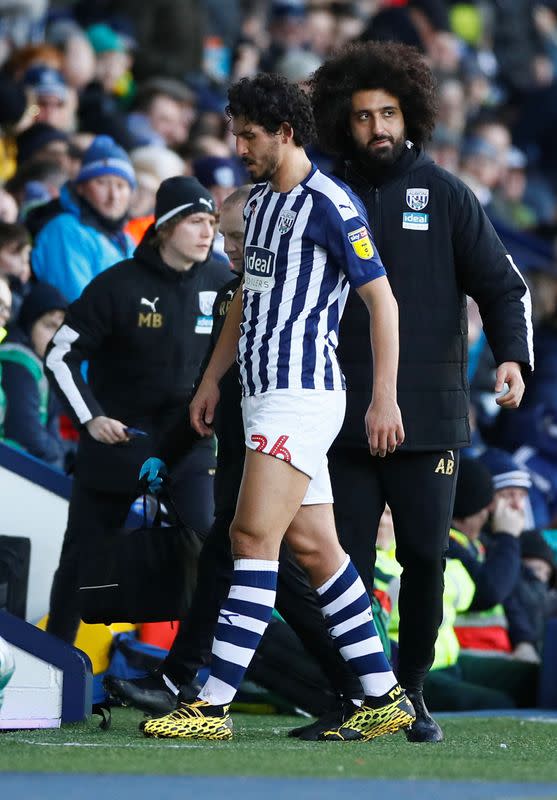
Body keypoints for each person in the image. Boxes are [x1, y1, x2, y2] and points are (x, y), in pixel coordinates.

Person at [142, 73, 414, 743]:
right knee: (316, 551)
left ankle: (209, 704)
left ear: (285, 133)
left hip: (301, 396)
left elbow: (382, 301)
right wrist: (212, 380)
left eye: (248, 136)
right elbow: (245, 299)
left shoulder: (331, 205)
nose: (238, 147)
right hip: (263, 395)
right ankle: (382, 696)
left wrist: (384, 398)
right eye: (235, 134)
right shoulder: (258, 203)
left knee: (247, 538)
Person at [310, 41, 534, 742]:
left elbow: (501, 286)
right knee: (337, 563)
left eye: (388, 113)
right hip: (339, 412)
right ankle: (352, 697)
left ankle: (409, 695)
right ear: (339, 123)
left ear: (410, 115)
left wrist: (511, 360)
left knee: (424, 560)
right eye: (361, 116)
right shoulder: (322, 194)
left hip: (430, 415)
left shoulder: (443, 192)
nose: (376, 128)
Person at [107, 187, 365, 726]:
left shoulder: (296, 292)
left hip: (280, 444)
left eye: (237, 237)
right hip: (242, 452)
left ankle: (214, 695)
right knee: (254, 564)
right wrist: (169, 449)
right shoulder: (236, 292)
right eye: (223, 235)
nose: (227, 246)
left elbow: (345, 342)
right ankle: (369, 693)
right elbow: (210, 384)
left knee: (269, 566)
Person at [43, 176, 231, 644]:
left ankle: (196, 672)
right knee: (81, 557)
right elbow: (58, 353)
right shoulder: (117, 285)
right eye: (194, 221)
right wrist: (92, 417)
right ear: (165, 228)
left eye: (211, 221)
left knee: (210, 547)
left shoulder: (224, 281)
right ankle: (54, 664)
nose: (207, 231)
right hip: (119, 443)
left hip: (189, 444)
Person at [31, 134, 137, 302]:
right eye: (102, 182)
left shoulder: (126, 240)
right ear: (80, 187)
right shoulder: (65, 229)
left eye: (121, 186)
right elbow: (78, 302)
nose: (113, 195)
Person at [0, 282, 68, 468]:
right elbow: (26, 434)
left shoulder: (49, 367)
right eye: (49, 326)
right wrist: (57, 454)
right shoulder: (17, 361)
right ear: (30, 324)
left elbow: (52, 432)